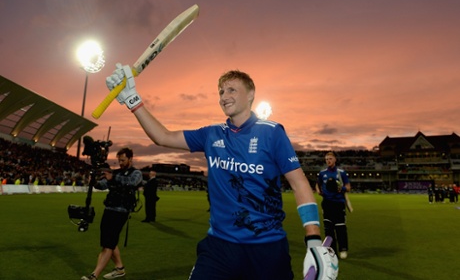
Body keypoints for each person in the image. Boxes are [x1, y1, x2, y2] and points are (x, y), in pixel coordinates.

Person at [105, 65, 337, 280]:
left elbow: (299, 184)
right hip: (220, 246)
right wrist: (133, 101)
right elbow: (163, 137)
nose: (224, 97)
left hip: (267, 248)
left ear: (251, 94)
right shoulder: (211, 134)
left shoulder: (272, 133)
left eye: (232, 90)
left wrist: (313, 238)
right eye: (221, 92)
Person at [81, 148, 143, 280]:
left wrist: (113, 178)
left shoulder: (136, 173)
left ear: (130, 159)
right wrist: (93, 181)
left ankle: (94, 275)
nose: (120, 163)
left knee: (108, 244)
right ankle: (119, 268)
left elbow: (131, 182)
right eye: (119, 160)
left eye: (123, 160)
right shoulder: (115, 173)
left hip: (121, 211)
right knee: (107, 242)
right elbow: (102, 185)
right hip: (109, 209)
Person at [316, 151, 351, 260]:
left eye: (330, 159)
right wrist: (318, 191)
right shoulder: (322, 173)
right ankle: (332, 251)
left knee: (340, 228)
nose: (328, 161)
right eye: (326, 159)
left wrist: (342, 188)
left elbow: (348, 187)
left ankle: (343, 249)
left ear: (335, 160)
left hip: (338, 204)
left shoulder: (341, 173)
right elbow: (318, 184)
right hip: (327, 203)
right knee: (328, 229)